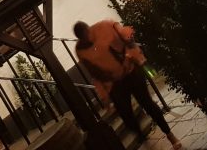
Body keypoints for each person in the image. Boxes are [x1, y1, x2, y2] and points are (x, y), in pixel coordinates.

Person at [74, 19, 182, 150]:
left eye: (88, 33)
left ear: (89, 28)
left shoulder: (105, 26)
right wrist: (106, 93)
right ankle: (142, 138)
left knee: (148, 103)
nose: (88, 38)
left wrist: (129, 56)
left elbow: (127, 38)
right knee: (126, 115)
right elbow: (93, 72)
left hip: (131, 71)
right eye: (84, 38)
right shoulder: (80, 49)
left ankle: (170, 135)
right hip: (114, 82)